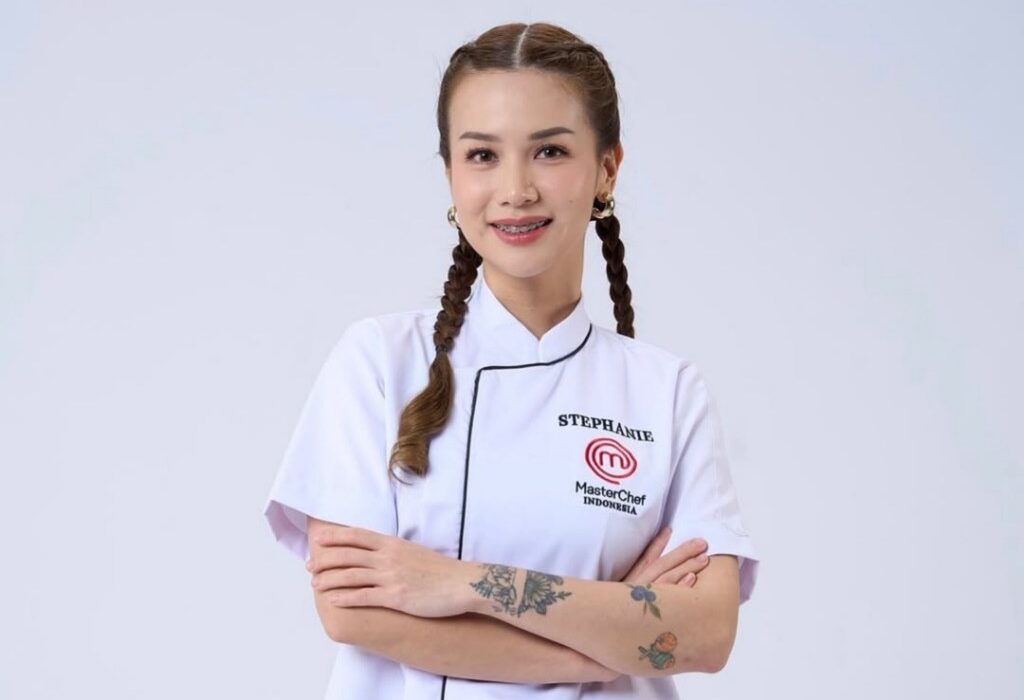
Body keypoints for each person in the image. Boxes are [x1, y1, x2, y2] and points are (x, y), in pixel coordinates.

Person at [263, 21, 760, 699]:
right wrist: (600, 651)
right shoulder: (379, 362)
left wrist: (458, 583)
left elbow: (704, 636)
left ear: (607, 169)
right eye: (482, 155)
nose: (516, 189)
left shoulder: (667, 392)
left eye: (550, 151)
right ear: (450, 173)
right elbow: (353, 613)